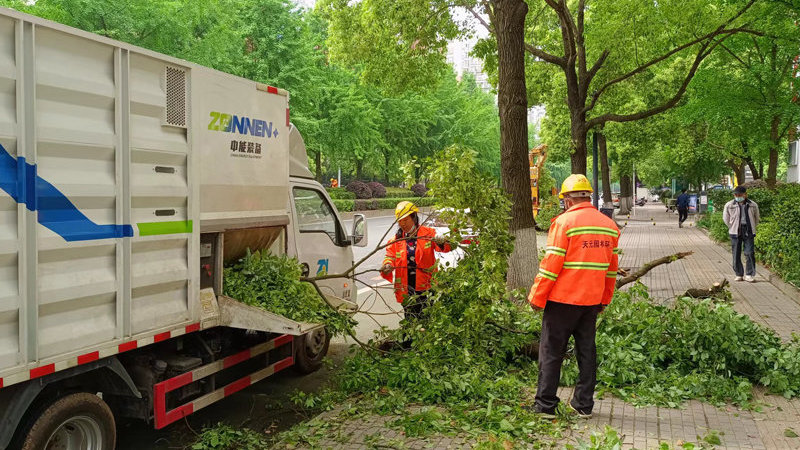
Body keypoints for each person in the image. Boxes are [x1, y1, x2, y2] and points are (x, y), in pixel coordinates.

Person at [528, 174, 620, 420]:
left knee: (551, 352)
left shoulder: (564, 223)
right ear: (588, 196)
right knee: (587, 351)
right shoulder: (608, 226)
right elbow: (611, 269)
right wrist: (605, 299)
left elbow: (551, 265)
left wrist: (537, 297)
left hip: (562, 301)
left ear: (567, 199)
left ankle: (545, 406)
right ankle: (583, 405)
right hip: (591, 302)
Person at [380, 201, 451, 321]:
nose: (402, 224)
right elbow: (390, 257)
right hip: (406, 288)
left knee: (426, 318)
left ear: (414, 218)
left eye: (405, 220)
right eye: (400, 221)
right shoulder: (395, 240)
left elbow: (445, 248)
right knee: (410, 320)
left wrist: (442, 242)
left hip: (426, 286)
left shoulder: (428, 234)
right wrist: (387, 265)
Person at [722, 186, 760, 282]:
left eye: (740, 195)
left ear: (745, 194)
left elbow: (756, 218)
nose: (737, 196)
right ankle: (739, 274)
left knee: (749, 252)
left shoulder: (753, 205)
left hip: (748, 230)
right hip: (735, 231)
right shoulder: (729, 205)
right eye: (736, 195)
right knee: (736, 253)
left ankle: (749, 274)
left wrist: (752, 227)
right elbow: (725, 218)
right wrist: (731, 226)